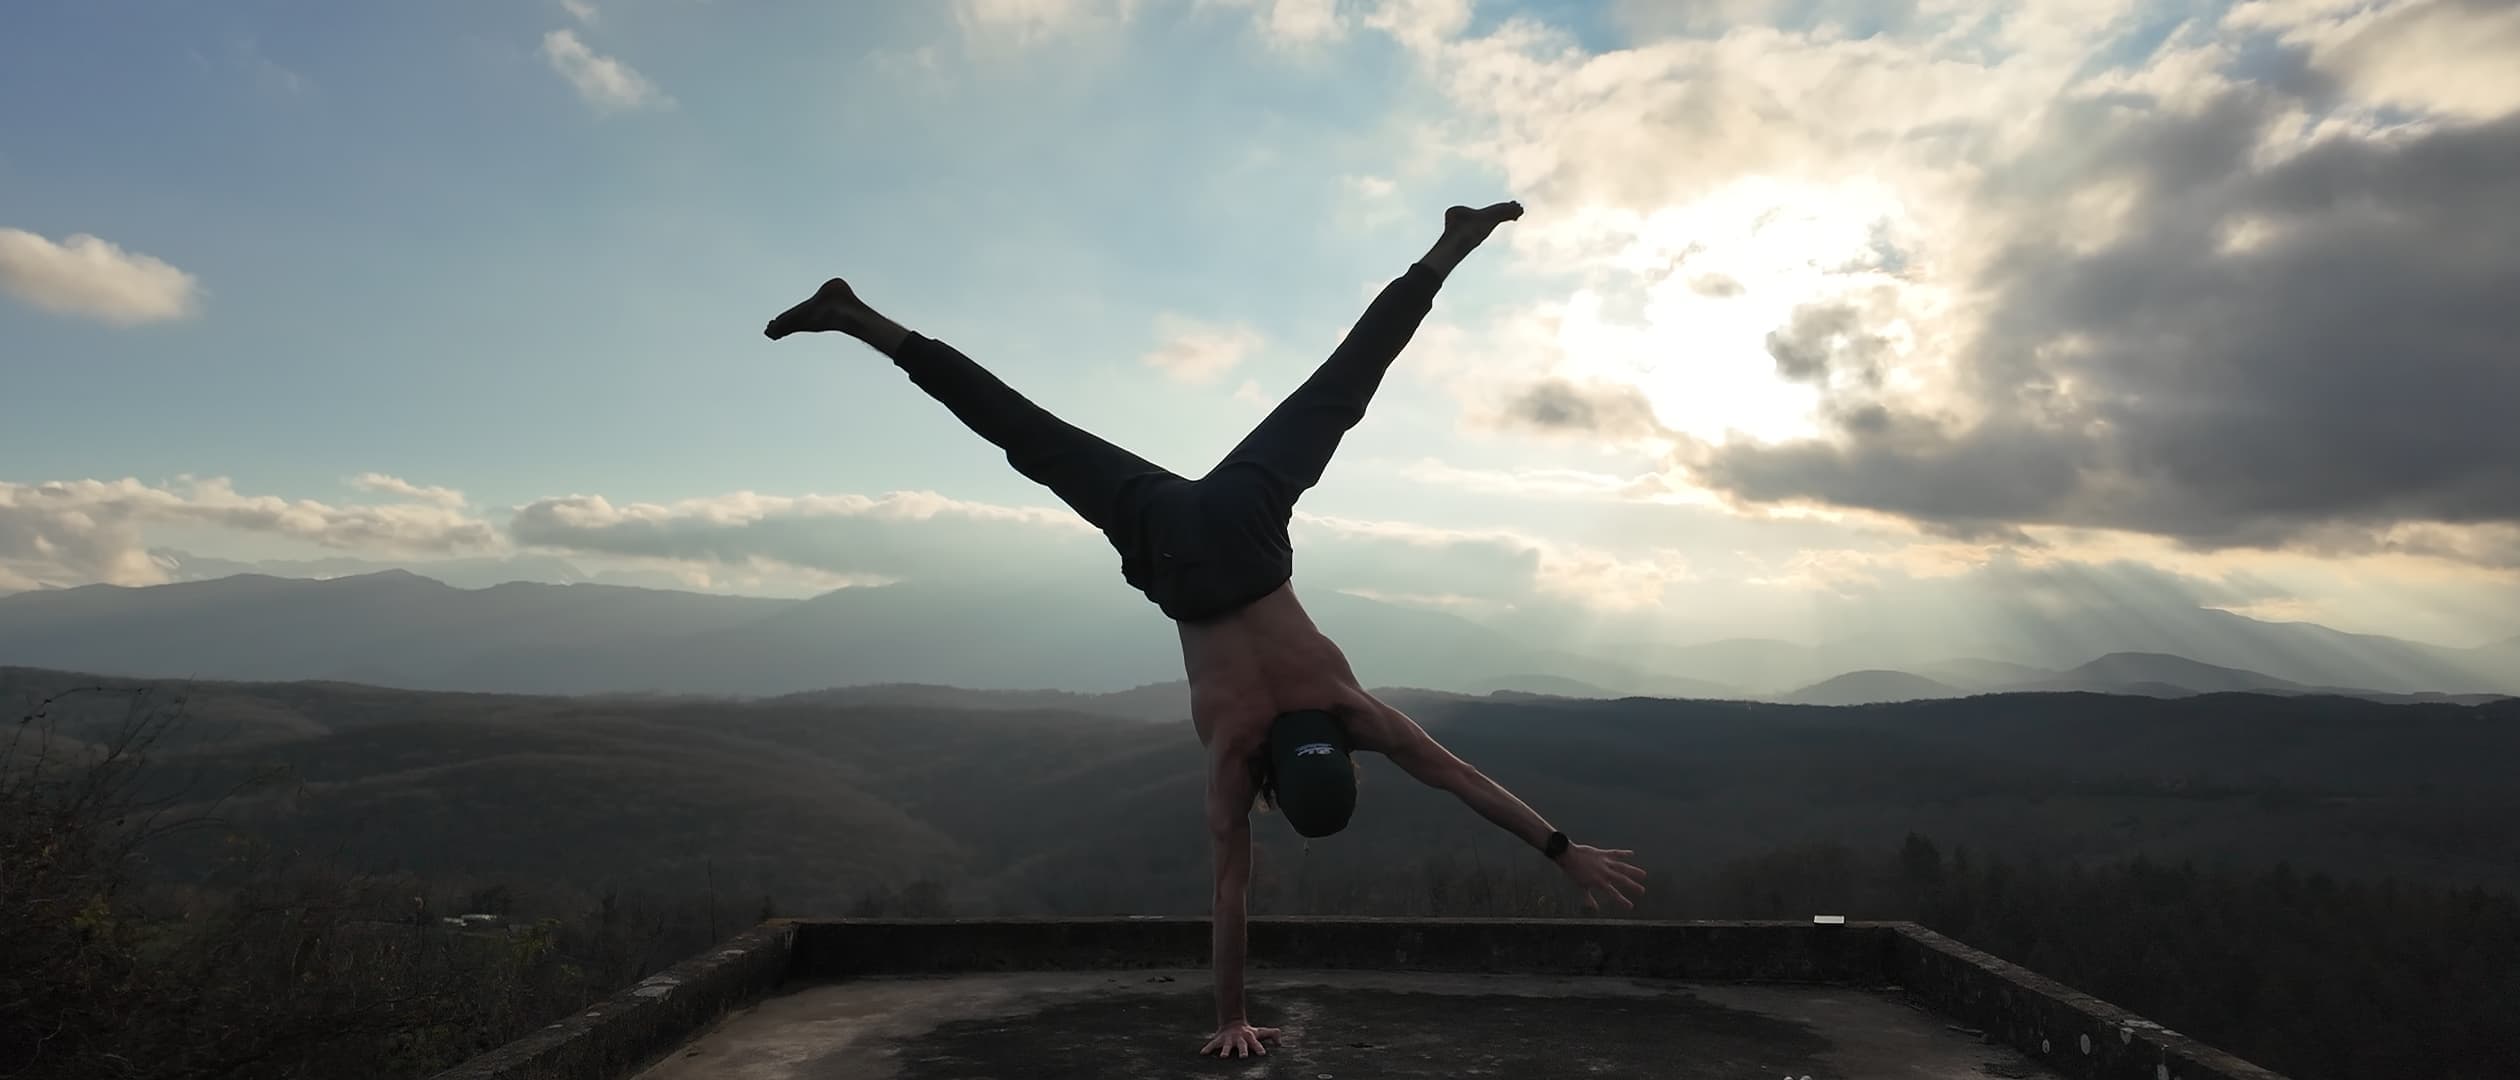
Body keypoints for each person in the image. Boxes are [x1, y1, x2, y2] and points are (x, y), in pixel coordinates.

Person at [764, 200, 1648, 1058]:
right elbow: (1233, 892)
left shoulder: (1349, 713)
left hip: (1244, 524)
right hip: (1175, 551)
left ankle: (1448, 247)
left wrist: (1562, 848)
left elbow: (1461, 779)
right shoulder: (1239, 748)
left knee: (1343, 384)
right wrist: (1230, 1017)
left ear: (1339, 762)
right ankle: (859, 319)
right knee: (1025, 432)